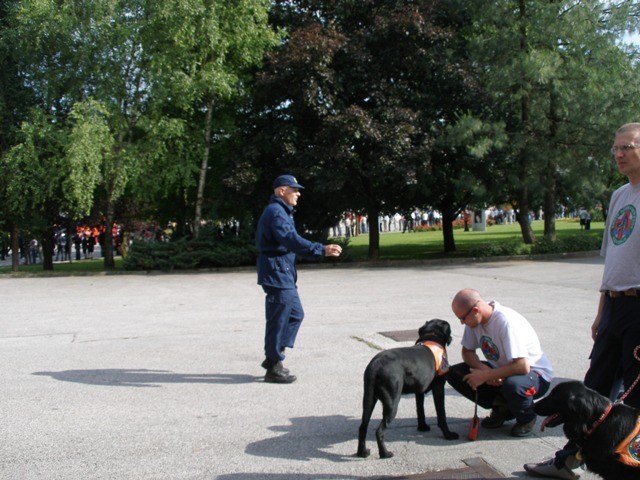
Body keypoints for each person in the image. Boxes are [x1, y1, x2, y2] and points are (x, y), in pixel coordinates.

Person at [524, 123, 640, 478]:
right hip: (614, 306)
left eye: (627, 147)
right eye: (615, 148)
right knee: (592, 392)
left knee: (635, 395)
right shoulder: (621, 195)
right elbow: (613, 261)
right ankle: (568, 460)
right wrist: (601, 313)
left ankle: (627, 463)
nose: (619, 154)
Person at [256, 174, 342, 384]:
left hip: (283, 271)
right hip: (277, 273)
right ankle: (274, 365)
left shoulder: (282, 211)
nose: (298, 193)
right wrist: (320, 249)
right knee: (278, 320)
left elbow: (290, 241)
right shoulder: (276, 212)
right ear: (281, 191)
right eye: (294, 189)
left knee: (295, 314)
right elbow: (291, 240)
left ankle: (272, 358)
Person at [446, 289, 553, 438]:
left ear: (476, 310)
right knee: (454, 373)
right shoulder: (474, 322)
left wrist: (486, 375)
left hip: (534, 375)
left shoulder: (505, 322)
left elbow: (522, 366)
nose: (462, 322)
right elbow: (467, 352)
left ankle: (527, 418)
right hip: (504, 370)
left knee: (514, 385)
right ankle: (502, 407)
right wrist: (482, 369)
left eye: (463, 318)